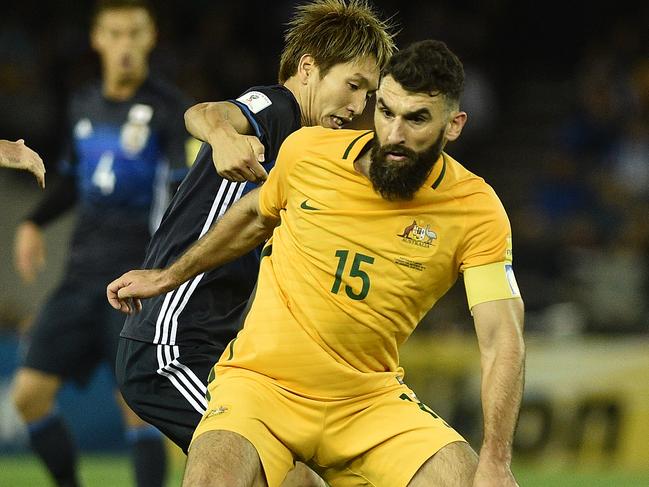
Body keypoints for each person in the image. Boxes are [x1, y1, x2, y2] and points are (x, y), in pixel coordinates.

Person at [108, 39, 525, 487]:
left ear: (454, 125)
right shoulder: (308, 151)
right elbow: (253, 215)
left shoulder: (476, 208)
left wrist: (496, 459)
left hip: (367, 401)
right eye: (385, 111)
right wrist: (169, 274)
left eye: (417, 119)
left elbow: (502, 337)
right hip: (260, 388)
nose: (395, 135)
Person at [112, 1, 394, 483]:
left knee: (290, 475)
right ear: (308, 69)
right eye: (352, 85)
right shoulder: (276, 108)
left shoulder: (309, 150)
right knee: (279, 475)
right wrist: (223, 138)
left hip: (220, 349)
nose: (358, 106)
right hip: (171, 345)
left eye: (369, 94)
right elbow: (205, 113)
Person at [11, 1, 192, 486]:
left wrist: (171, 272)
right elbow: (71, 181)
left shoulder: (170, 110)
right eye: (115, 33)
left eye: (135, 33)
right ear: (98, 39)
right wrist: (32, 223)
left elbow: (181, 193)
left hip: (134, 278)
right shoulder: (83, 103)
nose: (126, 45)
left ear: (150, 37)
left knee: (136, 404)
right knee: (28, 397)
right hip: (77, 278)